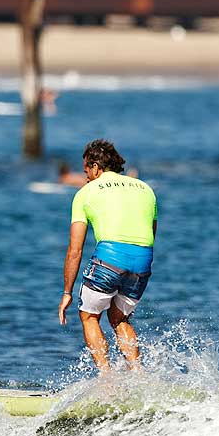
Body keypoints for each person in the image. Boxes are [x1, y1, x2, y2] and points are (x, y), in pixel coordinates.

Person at [58, 139, 157, 372]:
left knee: (89, 315)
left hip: (110, 257)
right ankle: (138, 375)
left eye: (86, 171)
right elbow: (150, 234)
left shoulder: (85, 193)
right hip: (143, 259)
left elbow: (75, 250)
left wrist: (66, 293)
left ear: (95, 167)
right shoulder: (145, 188)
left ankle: (106, 379)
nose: (86, 177)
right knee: (119, 318)